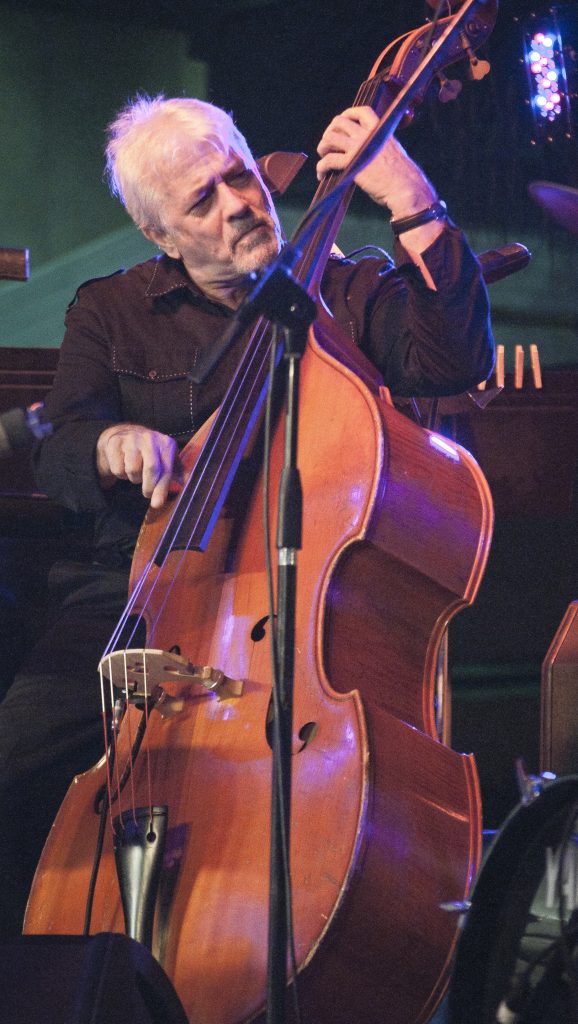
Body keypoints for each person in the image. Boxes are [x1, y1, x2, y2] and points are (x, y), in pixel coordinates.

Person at [0, 95, 493, 938]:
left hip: (301, 607)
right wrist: (110, 441)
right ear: (163, 236)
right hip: (139, 595)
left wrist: (412, 198)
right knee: (14, 768)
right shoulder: (109, 311)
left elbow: (451, 360)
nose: (237, 203)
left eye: (238, 176)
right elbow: (57, 448)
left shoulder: (341, 284)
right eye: (202, 200)